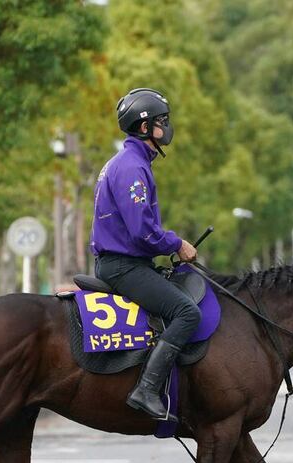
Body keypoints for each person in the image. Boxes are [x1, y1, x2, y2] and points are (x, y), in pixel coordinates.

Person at [90, 87, 200, 422]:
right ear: (143, 128)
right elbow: (143, 230)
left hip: (129, 262)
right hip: (122, 267)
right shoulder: (132, 167)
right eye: (161, 121)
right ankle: (147, 390)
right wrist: (176, 244)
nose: (167, 127)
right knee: (187, 314)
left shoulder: (130, 162)